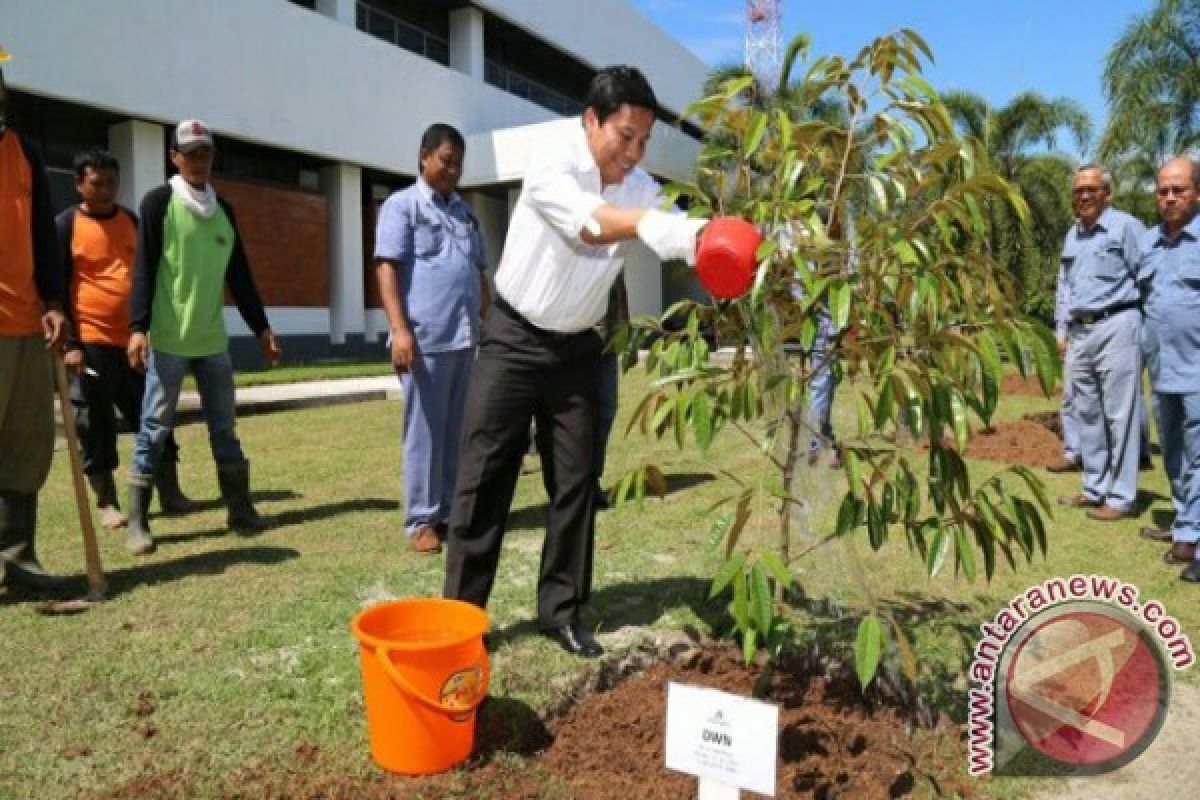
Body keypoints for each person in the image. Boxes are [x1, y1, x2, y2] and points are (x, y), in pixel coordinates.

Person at [443, 66, 706, 658]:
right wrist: (649, 223)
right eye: (625, 136)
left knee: (577, 483)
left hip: (579, 351)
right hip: (511, 337)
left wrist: (710, 239)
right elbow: (590, 227)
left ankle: (560, 611)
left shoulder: (638, 188)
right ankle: (460, 622)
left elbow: (672, 233)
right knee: (484, 480)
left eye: (644, 140)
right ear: (591, 120)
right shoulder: (552, 158)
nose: (635, 153)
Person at [125, 119, 280, 555]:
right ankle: (138, 520)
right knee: (154, 428)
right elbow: (144, 269)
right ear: (174, 157)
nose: (197, 160)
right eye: (189, 153)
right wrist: (137, 328)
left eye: (204, 152)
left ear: (212, 156)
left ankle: (240, 507)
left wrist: (262, 329)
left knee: (225, 429)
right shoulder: (158, 203)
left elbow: (241, 276)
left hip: (214, 344)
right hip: (170, 342)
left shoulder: (223, 210)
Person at [55, 149, 193, 542]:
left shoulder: (132, 221)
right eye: (96, 183)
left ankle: (170, 491)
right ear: (79, 183)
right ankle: (107, 503)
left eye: (111, 182)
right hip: (91, 345)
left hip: (136, 342)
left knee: (154, 417)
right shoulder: (65, 226)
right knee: (94, 424)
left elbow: (151, 275)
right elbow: (57, 290)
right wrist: (71, 344)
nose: (105, 190)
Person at [375, 123, 489, 555]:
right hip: (423, 340)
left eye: (458, 161)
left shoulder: (465, 212)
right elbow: (386, 268)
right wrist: (400, 331)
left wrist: (490, 325)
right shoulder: (402, 206)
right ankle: (421, 519)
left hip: (464, 340)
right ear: (424, 157)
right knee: (423, 431)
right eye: (446, 159)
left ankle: (448, 513)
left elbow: (478, 273)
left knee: (458, 431)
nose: (453, 169)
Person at [0, 51, 71, 591]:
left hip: (24, 325)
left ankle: (18, 560)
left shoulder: (25, 152)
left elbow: (44, 238)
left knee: (26, 444)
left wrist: (53, 300)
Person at [1053, 164, 1145, 521]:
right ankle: (1095, 489)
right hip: (1079, 331)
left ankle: (1122, 498)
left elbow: (1145, 276)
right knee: (1086, 411)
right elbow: (1064, 285)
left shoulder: (1127, 227)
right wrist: (1060, 329)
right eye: (1079, 190)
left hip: (1117, 324)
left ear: (1107, 193)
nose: (1085, 195)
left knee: (1119, 414)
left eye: (1092, 189)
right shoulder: (1071, 236)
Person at [1136, 157, 1200, 583]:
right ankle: (1185, 527)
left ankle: (1194, 538)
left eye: (1178, 189)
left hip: (1197, 370)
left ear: (1196, 193)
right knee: (1175, 454)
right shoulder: (1148, 243)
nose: (1170, 197)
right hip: (1163, 372)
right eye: (1163, 191)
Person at [591, 275, 629, 509]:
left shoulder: (613, 245)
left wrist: (624, 324)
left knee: (606, 407)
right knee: (582, 412)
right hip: (581, 336)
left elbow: (619, 285)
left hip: (609, 337)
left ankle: (592, 477)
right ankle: (579, 483)